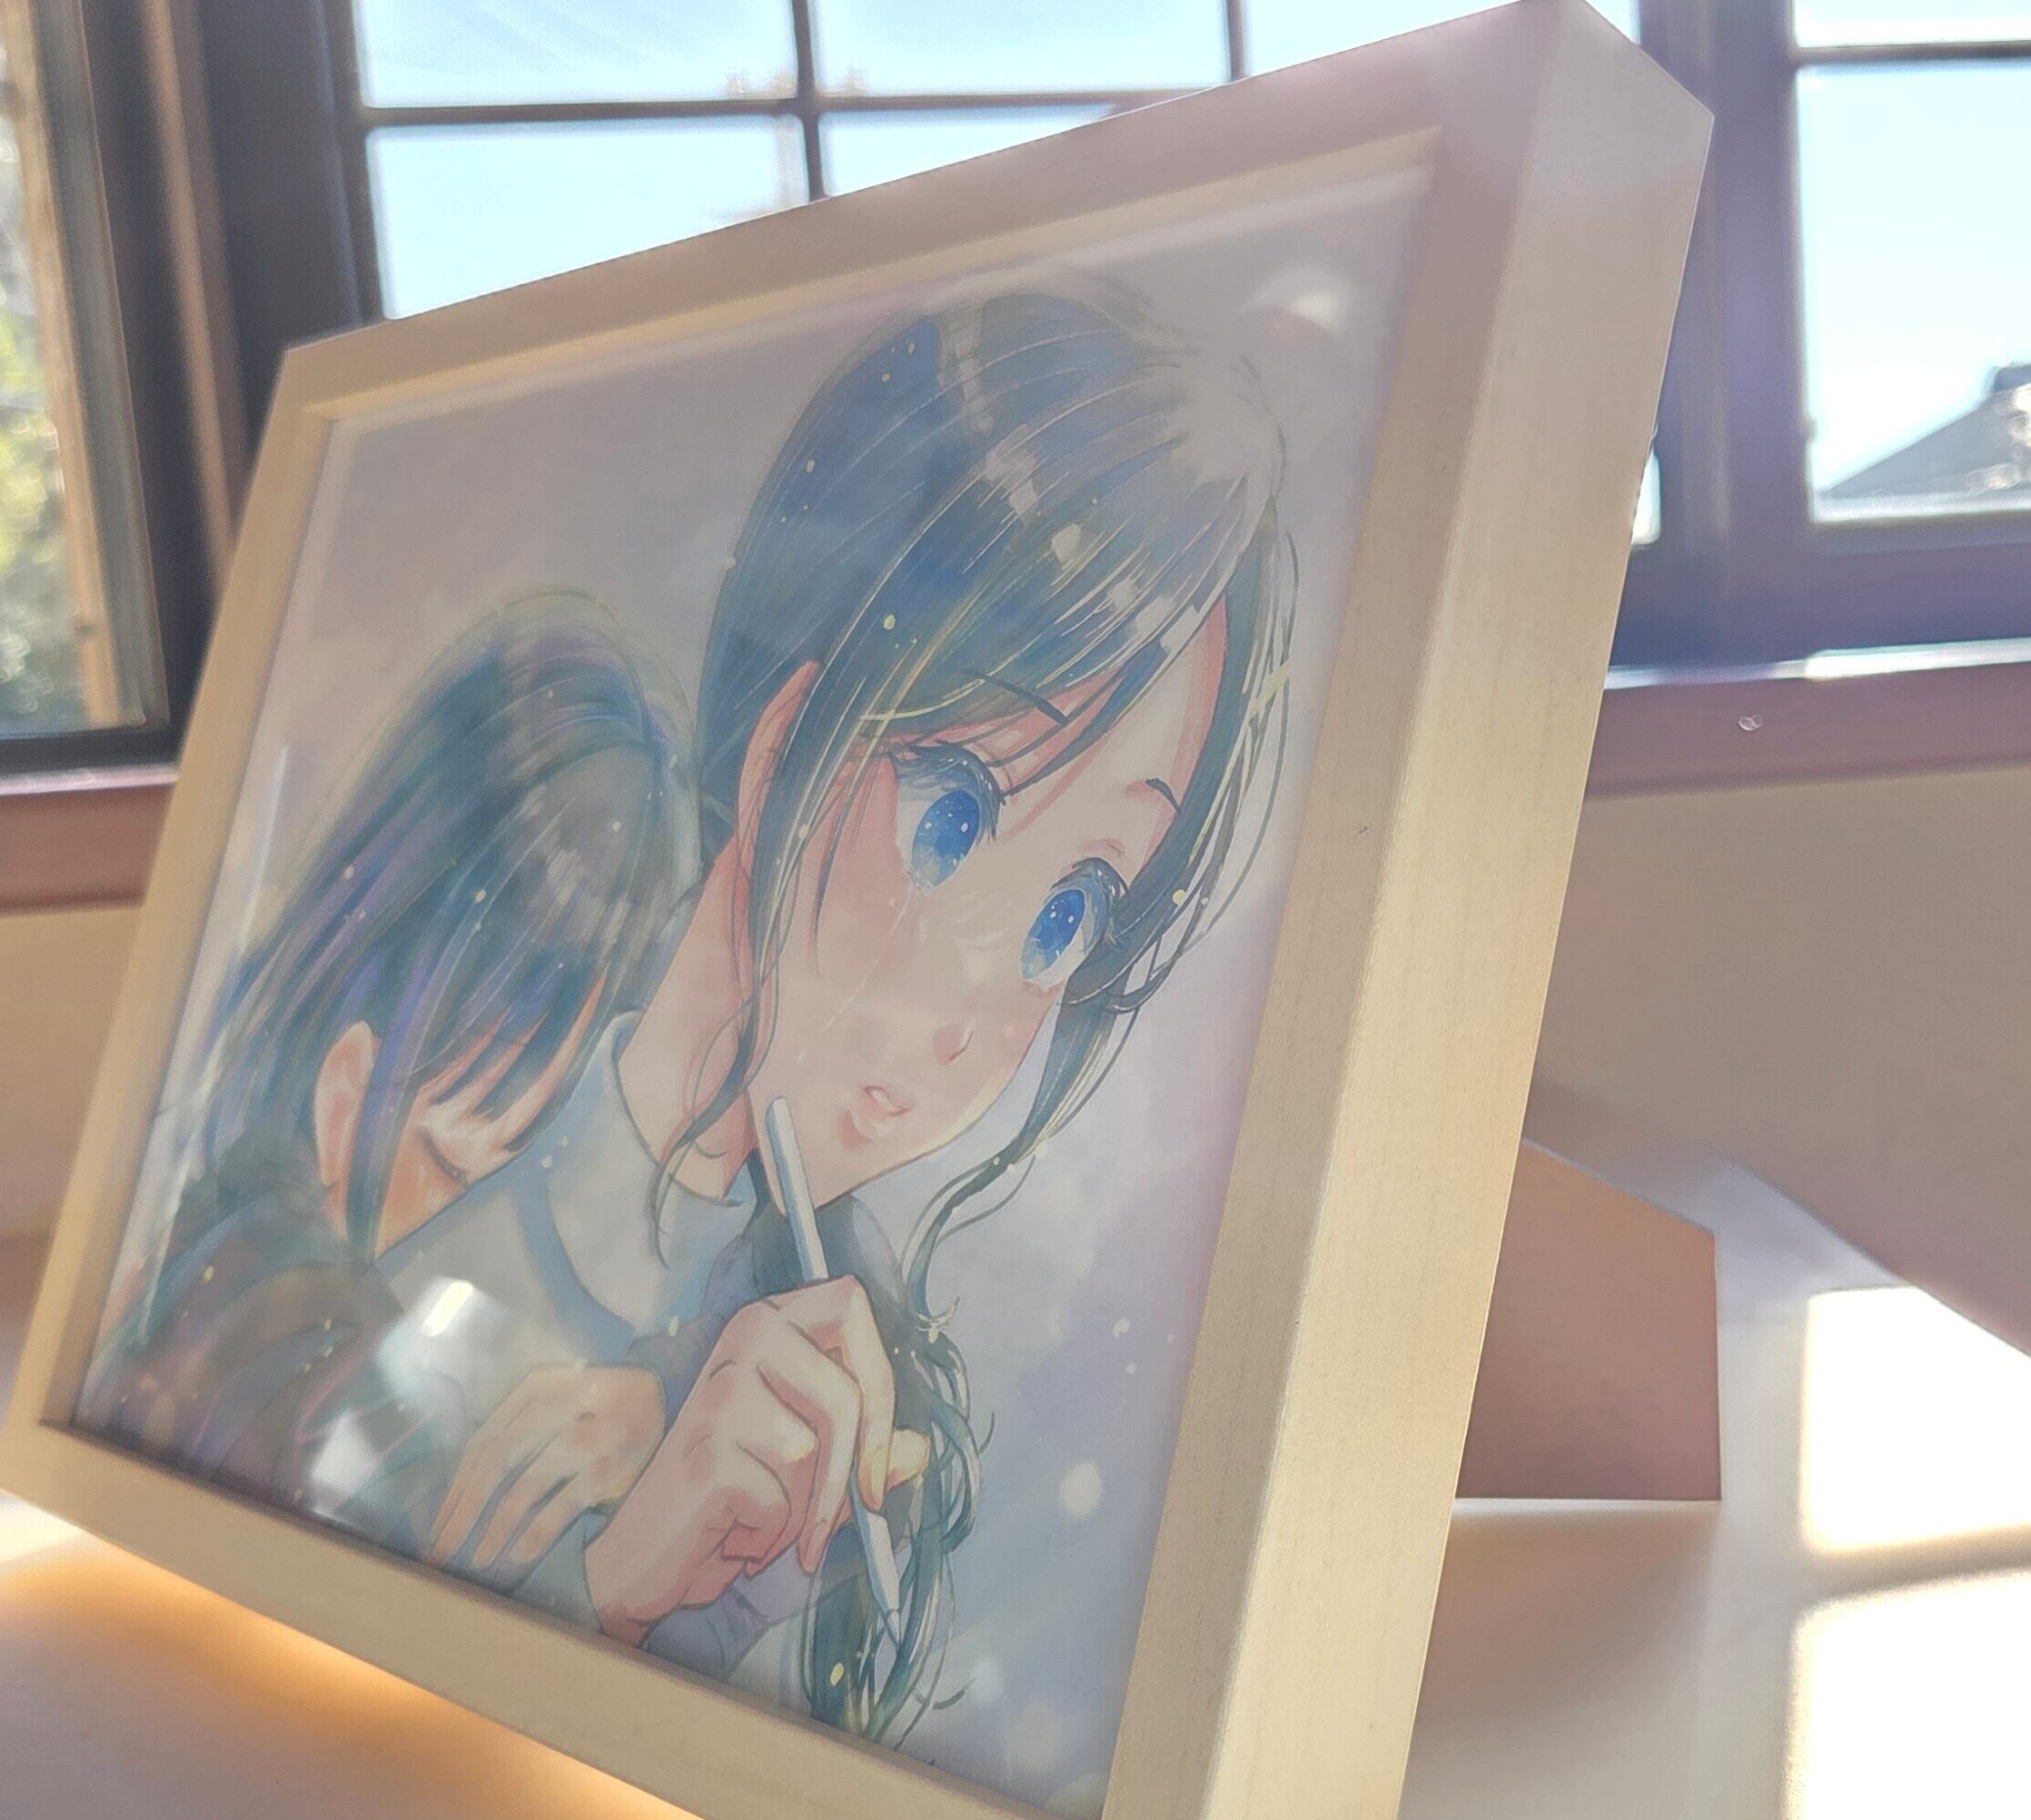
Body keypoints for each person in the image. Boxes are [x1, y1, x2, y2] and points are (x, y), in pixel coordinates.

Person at [384, 283, 1301, 1740]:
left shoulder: (879, 1387)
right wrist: (609, 1590)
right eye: (953, 818)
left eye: (1071, 912)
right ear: (780, 743)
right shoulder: (445, 1272)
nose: (973, 1011)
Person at [74, 595, 692, 1557]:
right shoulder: (293, 1312)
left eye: (506, 1163)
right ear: (344, 1079)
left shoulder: (204, 1235)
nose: (447, 1211)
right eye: (444, 1161)